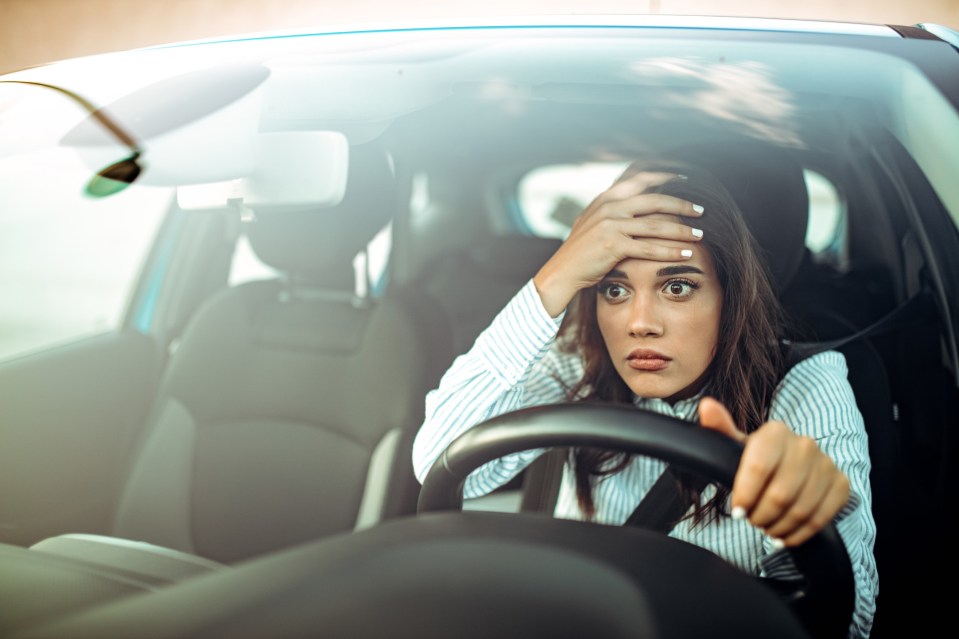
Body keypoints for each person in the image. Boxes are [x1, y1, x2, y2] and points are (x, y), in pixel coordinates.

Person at [411, 163, 878, 638]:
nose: (639, 323)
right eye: (615, 289)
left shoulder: (806, 386)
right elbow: (438, 462)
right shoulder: (580, 363)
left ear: (731, 295)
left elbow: (850, 623)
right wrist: (554, 278)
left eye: (677, 286)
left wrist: (804, 523)